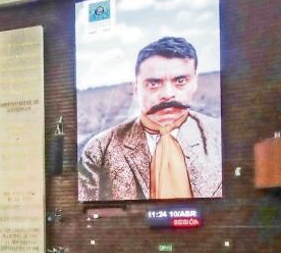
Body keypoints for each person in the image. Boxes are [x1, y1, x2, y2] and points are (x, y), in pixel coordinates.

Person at [79, 36, 222, 201]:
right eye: (154, 83)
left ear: (195, 82)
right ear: (135, 88)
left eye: (180, 81)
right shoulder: (99, 150)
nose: (168, 95)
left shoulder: (220, 136)